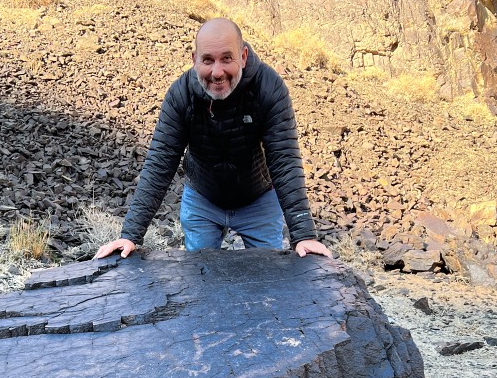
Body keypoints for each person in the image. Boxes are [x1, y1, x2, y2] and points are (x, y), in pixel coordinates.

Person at [94, 18, 332, 260]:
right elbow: (160, 162)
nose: (217, 72)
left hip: (258, 200)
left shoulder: (268, 88)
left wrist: (304, 234)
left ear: (244, 56)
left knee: (267, 279)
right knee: (200, 279)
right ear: (194, 59)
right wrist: (130, 234)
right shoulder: (181, 94)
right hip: (203, 200)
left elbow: (284, 159)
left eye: (227, 58)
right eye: (208, 60)